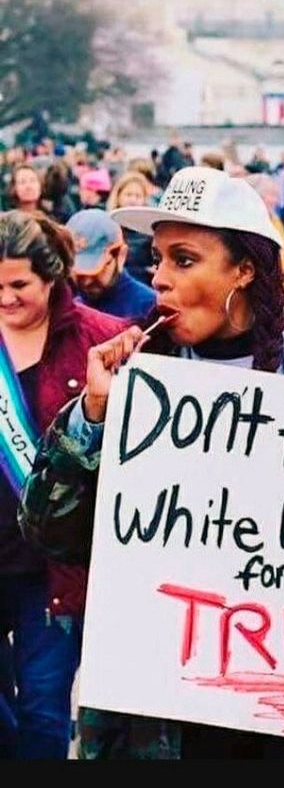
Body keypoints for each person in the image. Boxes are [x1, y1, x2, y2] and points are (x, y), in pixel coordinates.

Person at [18, 166, 284, 759]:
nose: (157, 278)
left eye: (183, 260)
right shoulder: (127, 372)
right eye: (157, 258)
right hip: (162, 708)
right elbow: (49, 533)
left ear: (245, 270)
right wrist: (91, 417)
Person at [0, 211, 125, 758]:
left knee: (45, 707)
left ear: (52, 279)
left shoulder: (102, 340)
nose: (4, 297)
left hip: (55, 567)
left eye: (18, 285)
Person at [65, 209, 157, 321]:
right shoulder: (69, 309)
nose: (87, 281)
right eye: (79, 273)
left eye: (98, 270)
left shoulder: (149, 307)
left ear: (121, 256)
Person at [106, 171, 155, 286]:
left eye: (138, 196)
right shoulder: (107, 227)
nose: (133, 200)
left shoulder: (150, 231)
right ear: (118, 196)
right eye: (128, 194)